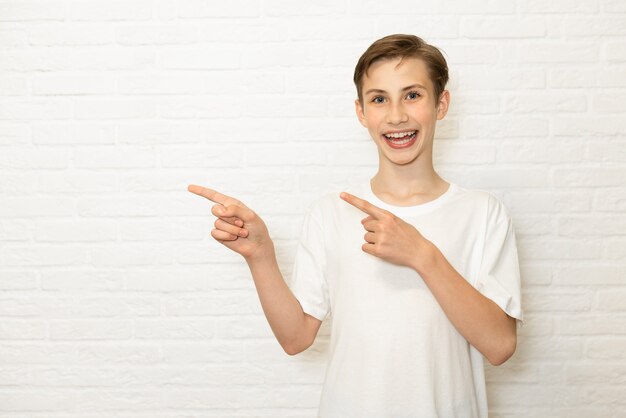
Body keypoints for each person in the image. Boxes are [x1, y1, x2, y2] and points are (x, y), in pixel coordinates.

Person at [188, 34, 523, 418]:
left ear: (441, 103)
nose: (396, 115)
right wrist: (261, 256)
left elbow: (500, 345)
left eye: (412, 95)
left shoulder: (482, 213)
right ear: (361, 112)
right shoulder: (330, 213)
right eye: (379, 99)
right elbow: (296, 338)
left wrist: (421, 254)